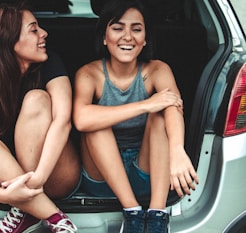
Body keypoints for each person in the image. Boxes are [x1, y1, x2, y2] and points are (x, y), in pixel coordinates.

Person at [0, 3, 80, 233]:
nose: (44, 34)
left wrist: (37, 179)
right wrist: (2, 195)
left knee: (36, 99)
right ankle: (57, 220)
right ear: (8, 40)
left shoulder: (51, 64)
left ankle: (24, 210)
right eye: (33, 30)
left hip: (57, 174)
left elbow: (63, 120)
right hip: (14, 185)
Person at [72, 0, 199, 232]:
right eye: (118, 28)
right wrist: (145, 104)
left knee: (160, 115)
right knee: (95, 122)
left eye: (136, 29)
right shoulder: (89, 73)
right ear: (104, 36)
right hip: (101, 178)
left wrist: (178, 151)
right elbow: (80, 119)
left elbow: (173, 108)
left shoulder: (158, 69)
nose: (127, 37)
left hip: (148, 175)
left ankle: (157, 215)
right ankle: (132, 214)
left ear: (145, 39)